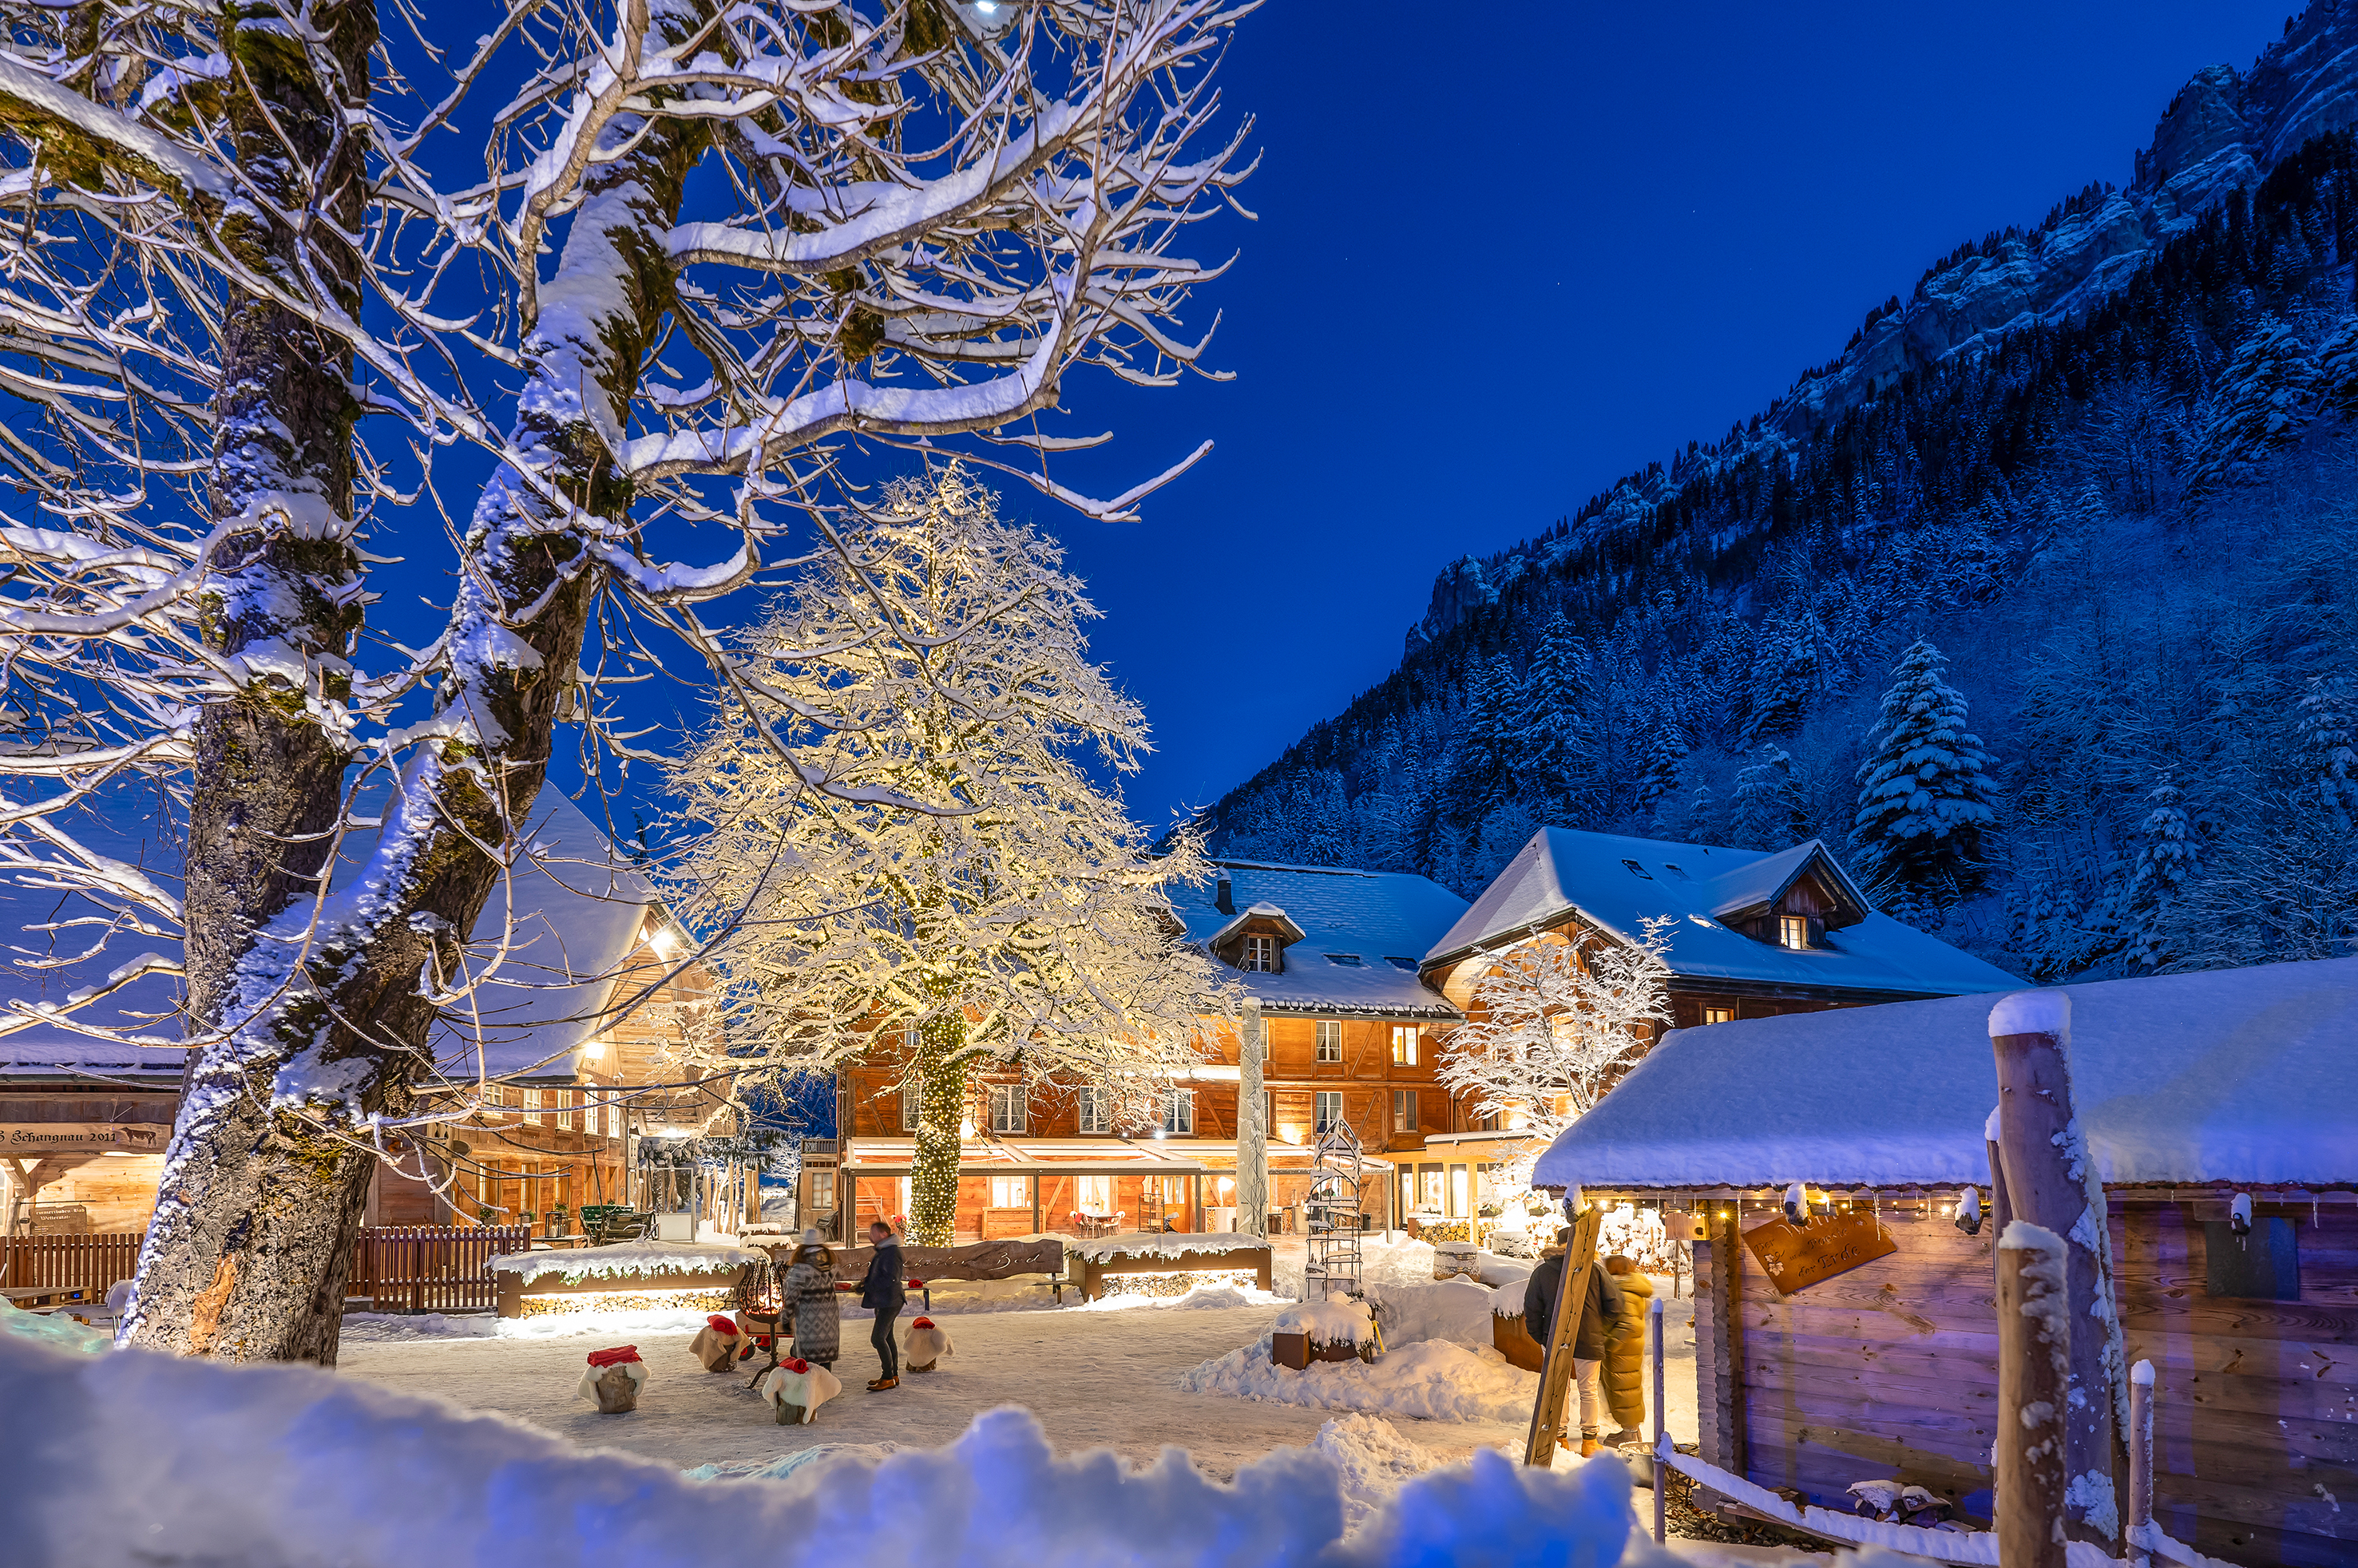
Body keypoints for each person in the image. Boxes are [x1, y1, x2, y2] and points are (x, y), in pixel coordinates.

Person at [1524, 1226, 1623, 1457]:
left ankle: (1560, 1438)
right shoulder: (1595, 1270)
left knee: (1558, 1388)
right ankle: (1590, 1442)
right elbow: (1616, 1305)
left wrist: (1542, 1337)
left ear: (1557, 1243)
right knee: (1589, 1390)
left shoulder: (1542, 1272)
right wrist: (1599, 1328)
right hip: (1590, 1337)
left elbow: (1531, 1309)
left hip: (1554, 1338)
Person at [1602, 1253, 1655, 1446]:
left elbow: (1629, 1325)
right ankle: (1632, 1431)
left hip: (1622, 1351)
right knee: (1628, 1389)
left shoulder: (1622, 1291)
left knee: (1624, 1391)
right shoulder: (1629, 1287)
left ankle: (1629, 1434)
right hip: (1628, 1349)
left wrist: (1609, 1344)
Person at [860, 1218, 907, 1391]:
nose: (870, 1237)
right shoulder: (885, 1250)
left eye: (873, 1233)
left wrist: (868, 1286)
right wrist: (864, 1284)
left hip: (890, 1300)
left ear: (884, 1234)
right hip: (885, 1299)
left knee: (878, 1338)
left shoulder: (891, 1252)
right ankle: (893, 1375)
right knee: (887, 1337)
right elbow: (880, 1275)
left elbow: (890, 1278)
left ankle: (888, 1377)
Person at [782, 1229, 838, 1370]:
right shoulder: (831, 1266)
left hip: (808, 1320)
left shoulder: (799, 1270)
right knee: (825, 1358)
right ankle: (826, 1383)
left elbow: (790, 1298)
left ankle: (808, 1383)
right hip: (829, 1320)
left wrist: (785, 1319)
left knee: (805, 1361)